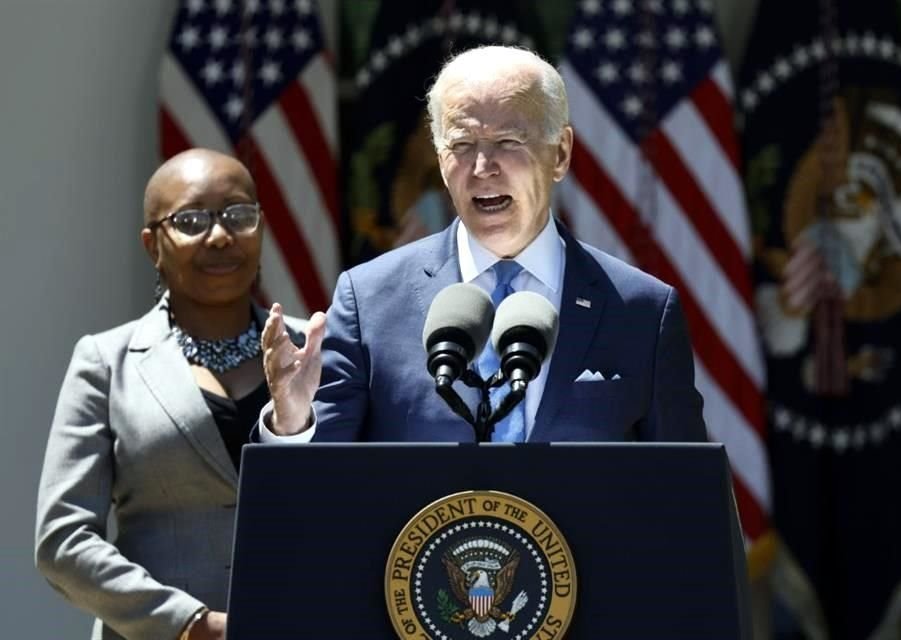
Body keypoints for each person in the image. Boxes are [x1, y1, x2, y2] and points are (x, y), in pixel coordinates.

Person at [260, 45, 706, 443]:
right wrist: (293, 424)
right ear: (439, 160)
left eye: (508, 142)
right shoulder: (369, 300)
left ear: (561, 154)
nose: (482, 166)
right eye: (462, 144)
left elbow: (686, 497)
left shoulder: (643, 311)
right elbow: (316, 492)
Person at [35, 149, 304, 640]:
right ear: (152, 244)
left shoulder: (316, 352)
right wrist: (189, 623)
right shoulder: (105, 362)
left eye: (239, 215)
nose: (221, 236)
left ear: (262, 227)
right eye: (191, 220)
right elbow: (63, 540)